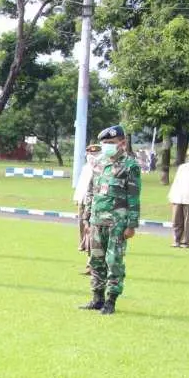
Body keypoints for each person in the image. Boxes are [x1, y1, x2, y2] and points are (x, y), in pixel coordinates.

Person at [81, 125, 141, 315]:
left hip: (117, 223)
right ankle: (97, 298)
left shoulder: (130, 166)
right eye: (104, 143)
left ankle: (111, 301)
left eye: (111, 143)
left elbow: (133, 197)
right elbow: (92, 192)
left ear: (122, 143)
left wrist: (131, 225)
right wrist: (87, 217)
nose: (107, 146)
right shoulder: (98, 163)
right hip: (97, 221)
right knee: (96, 260)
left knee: (113, 261)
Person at [74, 143, 102, 263]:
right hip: (83, 199)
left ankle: (90, 250)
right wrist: (77, 198)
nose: (92, 156)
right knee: (81, 223)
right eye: (90, 154)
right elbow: (82, 185)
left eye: (94, 154)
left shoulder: (100, 168)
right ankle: (83, 243)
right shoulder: (86, 167)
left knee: (91, 227)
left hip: (94, 202)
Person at [168, 145, 189, 248]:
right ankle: (176, 240)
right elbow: (176, 182)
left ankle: (185, 242)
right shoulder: (182, 167)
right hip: (178, 197)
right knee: (176, 221)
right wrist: (171, 195)